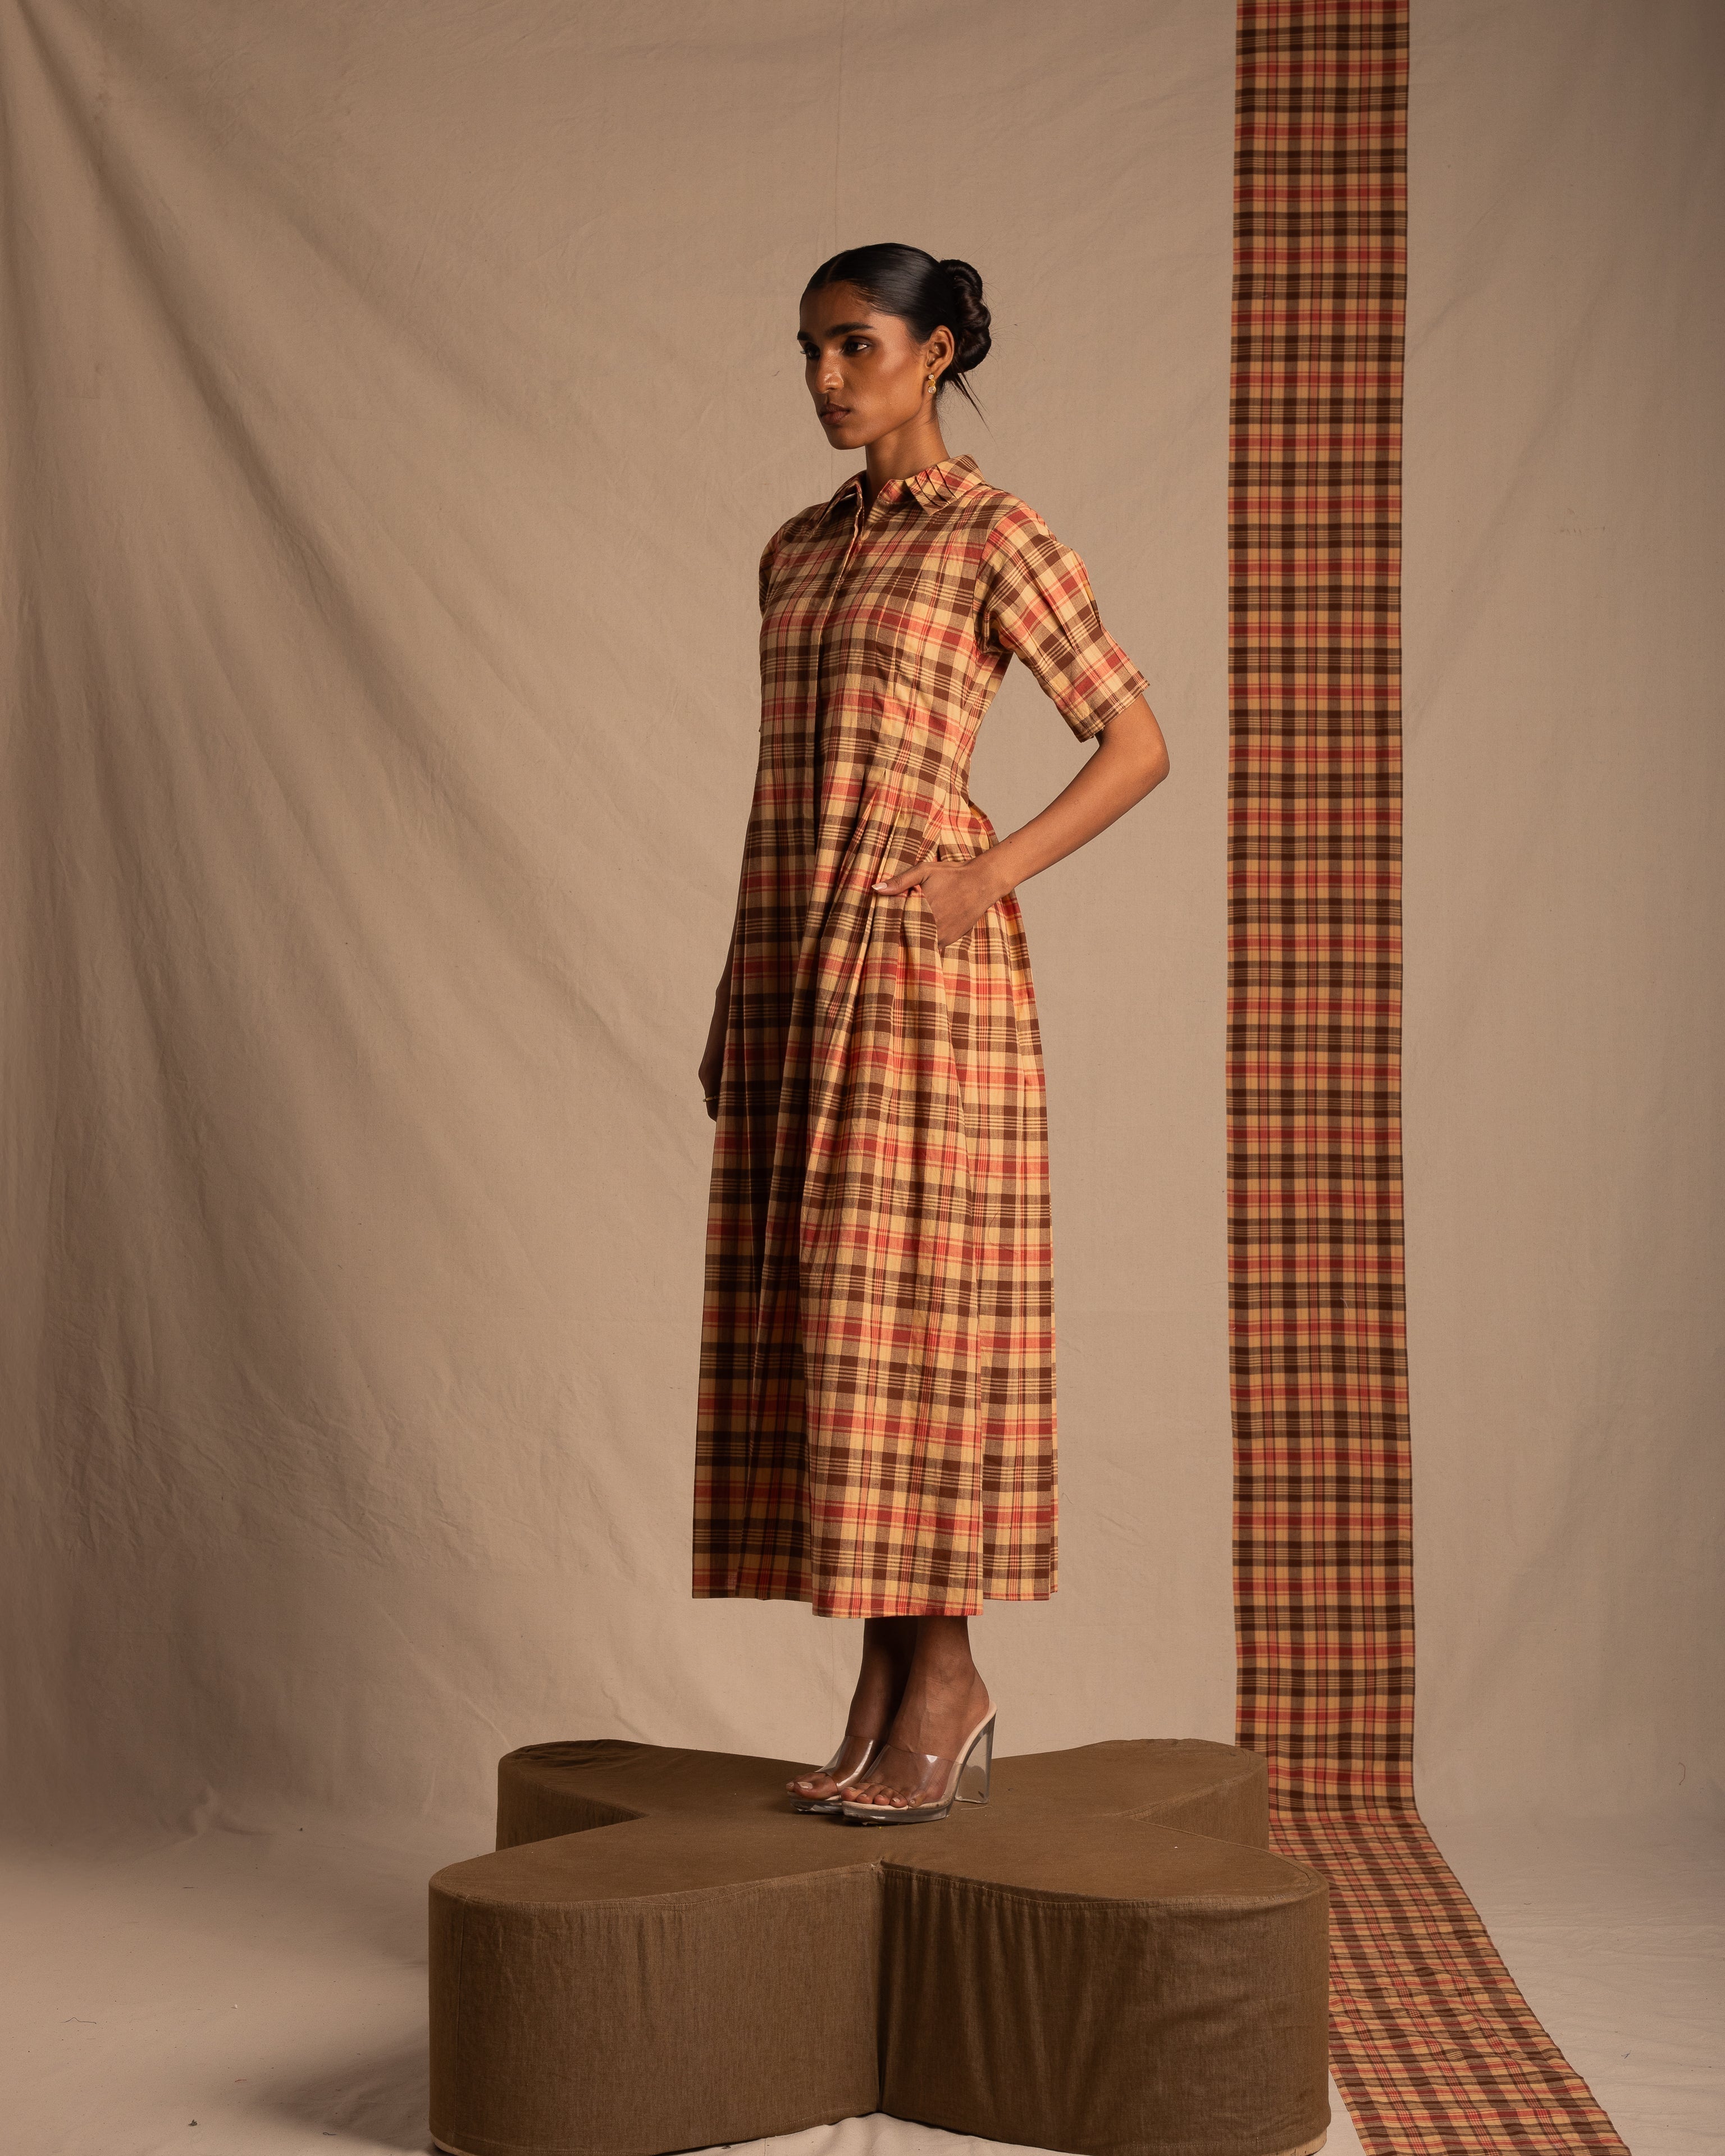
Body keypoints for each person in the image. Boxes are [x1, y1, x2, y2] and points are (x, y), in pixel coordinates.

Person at [693, 244, 1169, 1825]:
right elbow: (787, 794)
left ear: (938, 349)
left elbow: (1136, 740)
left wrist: (986, 874)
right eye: (810, 351)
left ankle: (947, 1675)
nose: (828, 378)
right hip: (794, 968)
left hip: (922, 978)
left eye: (858, 346)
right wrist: (733, 986)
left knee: (910, 1331)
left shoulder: (993, 535)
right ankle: (893, 1680)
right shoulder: (793, 551)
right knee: (833, 1337)